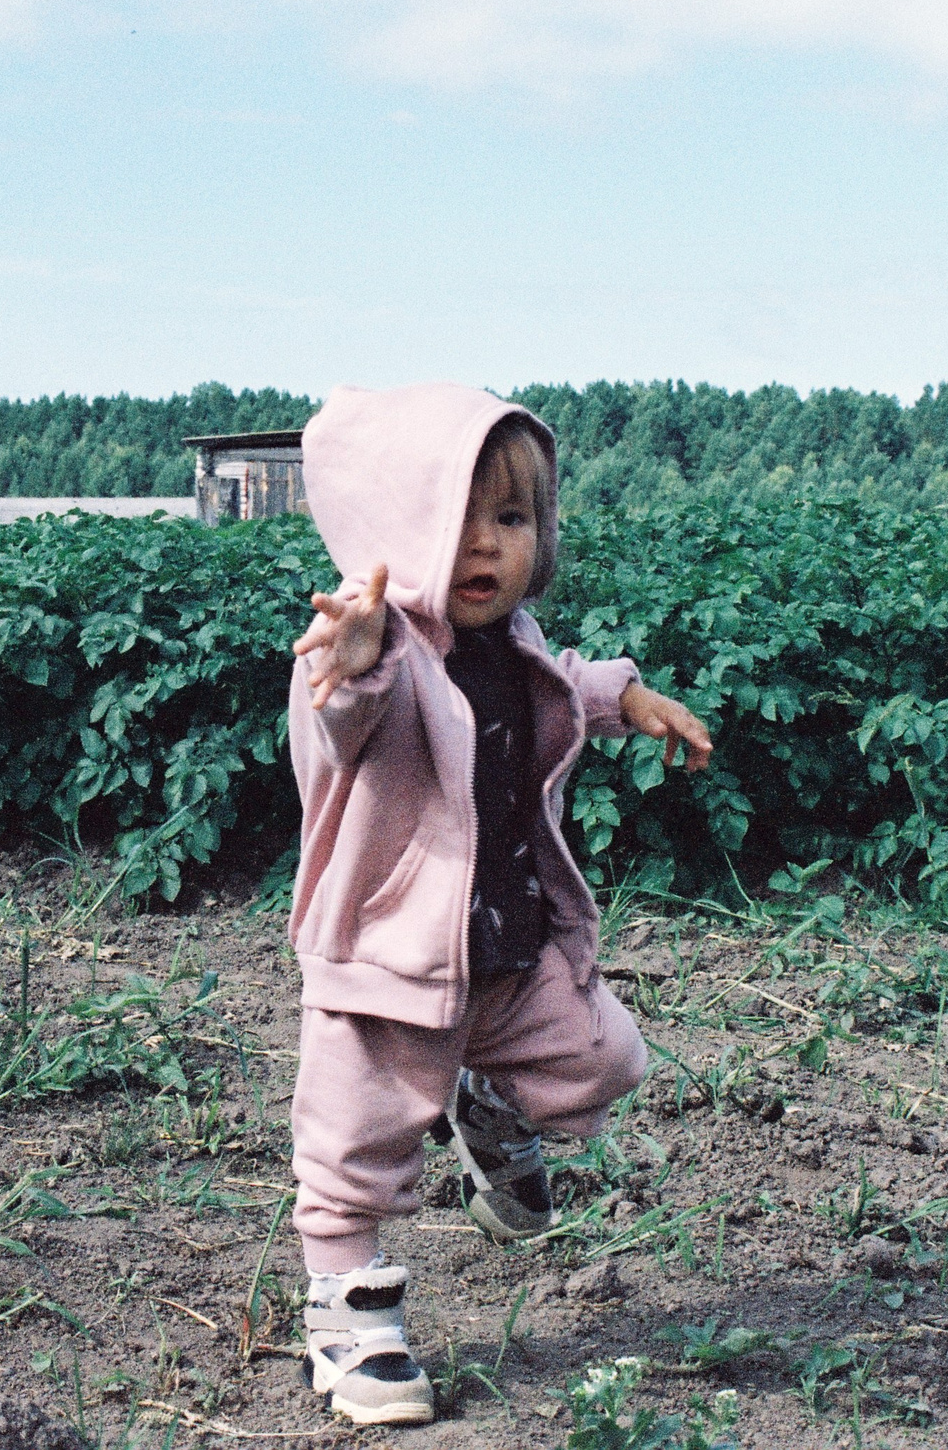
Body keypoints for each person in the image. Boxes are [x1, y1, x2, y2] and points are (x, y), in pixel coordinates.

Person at [282, 383, 713, 1425]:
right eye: (454, 518)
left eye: (512, 518)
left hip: (503, 946)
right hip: (389, 962)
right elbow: (349, 712)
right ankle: (349, 1319)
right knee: (357, 1146)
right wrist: (350, 658)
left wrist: (625, 698)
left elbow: (556, 677)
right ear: (392, 527)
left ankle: (488, 1111)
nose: (485, 546)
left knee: (603, 1061)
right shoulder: (373, 655)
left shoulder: (502, 643)